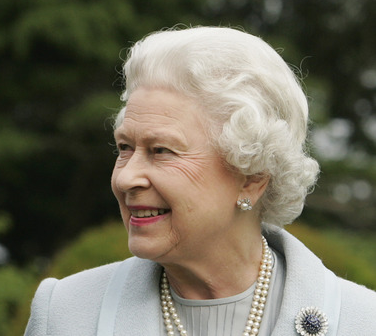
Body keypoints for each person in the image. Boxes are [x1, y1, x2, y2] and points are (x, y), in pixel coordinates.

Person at [24, 26, 376, 336]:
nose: (126, 177)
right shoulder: (65, 313)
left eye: (161, 150)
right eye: (124, 147)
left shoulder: (362, 322)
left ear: (251, 177)